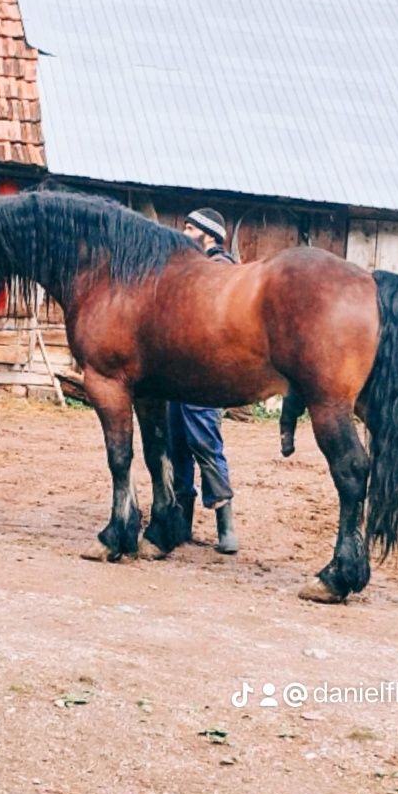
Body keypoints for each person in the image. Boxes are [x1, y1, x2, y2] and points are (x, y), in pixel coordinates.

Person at [168, 207, 239, 555]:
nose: (183, 232)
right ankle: (180, 521)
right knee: (175, 445)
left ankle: (226, 525)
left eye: (189, 227)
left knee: (206, 444)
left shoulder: (221, 269)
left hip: (205, 377)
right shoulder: (188, 267)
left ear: (208, 235)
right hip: (177, 374)